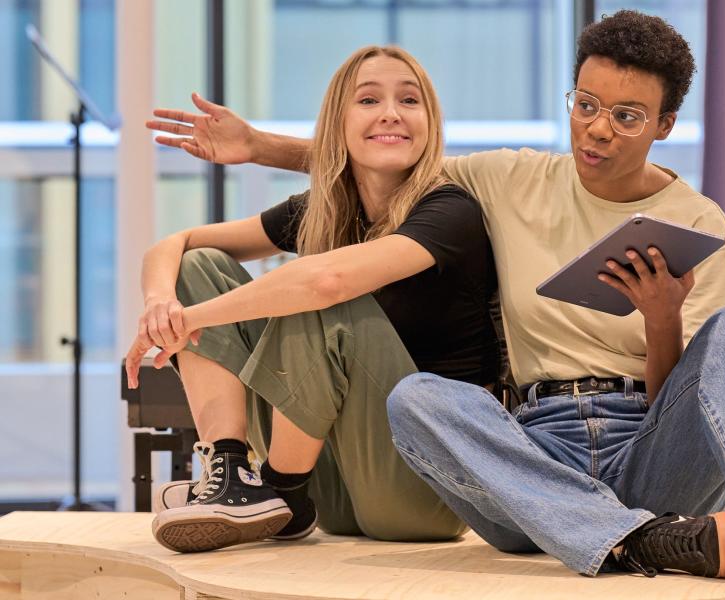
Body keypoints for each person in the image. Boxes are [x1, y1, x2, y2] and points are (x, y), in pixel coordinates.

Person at [147, 11, 725, 593]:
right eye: (585, 105)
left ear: (663, 126)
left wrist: (659, 321)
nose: (596, 128)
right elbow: (390, 150)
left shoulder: (699, 225)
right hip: (528, 449)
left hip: (651, 447)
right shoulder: (511, 180)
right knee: (419, 399)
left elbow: (690, 400)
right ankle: (641, 541)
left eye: (625, 116)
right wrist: (257, 145)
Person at [126, 45, 503, 553]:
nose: (391, 112)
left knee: (322, 294)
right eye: (369, 100)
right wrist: (159, 307)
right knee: (200, 266)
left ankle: (277, 487)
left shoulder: (450, 211)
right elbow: (173, 246)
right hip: (336, 492)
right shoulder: (324, 209)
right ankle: (236, 471)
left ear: (430, 123)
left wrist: (187, 322)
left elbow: (328, 283)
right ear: (338, 122)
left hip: (426, 492)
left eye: (409, 100)